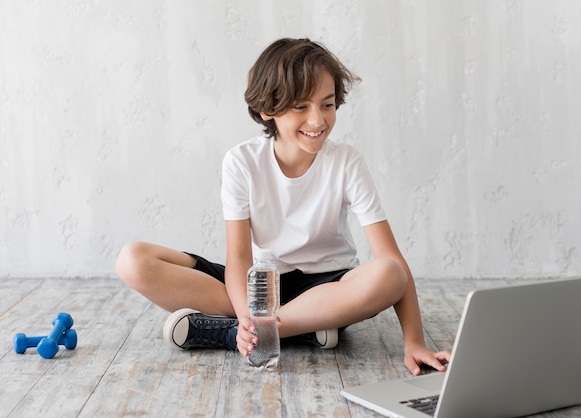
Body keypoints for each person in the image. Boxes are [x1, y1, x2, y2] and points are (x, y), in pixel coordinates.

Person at [116, 38, 450, 375]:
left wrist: (415, 341)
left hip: (328, 290)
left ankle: (239, 332)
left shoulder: (346, 162)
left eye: (328, 104)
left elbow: (391, 260)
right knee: (133, 260)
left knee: (389, 274)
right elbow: (239, 260)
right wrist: (249, 313)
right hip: (259, 284)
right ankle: (290, 330)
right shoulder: (241, 162)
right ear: (268, 110)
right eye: (301, 107)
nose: (317, 120)